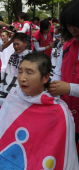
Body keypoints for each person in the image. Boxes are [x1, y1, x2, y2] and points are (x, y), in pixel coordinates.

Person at [0, 52, 79, 170]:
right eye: (20, 72)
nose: (22, 78)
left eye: (29, 73)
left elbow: (60, 153)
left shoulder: (59, 112)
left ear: (46, 77)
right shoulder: (13, 97)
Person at [48, 0, 79, 146]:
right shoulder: (67, 46)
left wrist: (70, 88)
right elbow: (58, 73)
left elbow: (68, 86)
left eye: (75, 24)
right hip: (67, 114)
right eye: (68, 25)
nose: (72, 29)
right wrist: (53, 87)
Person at [0, 33, 31, 116]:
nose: (15, 46)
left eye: (18, 44)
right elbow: (8, 71)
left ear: (25, 43)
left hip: (20, 86)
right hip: (7, 84)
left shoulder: (30, 57)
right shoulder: (13, 55)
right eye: (14, 44)